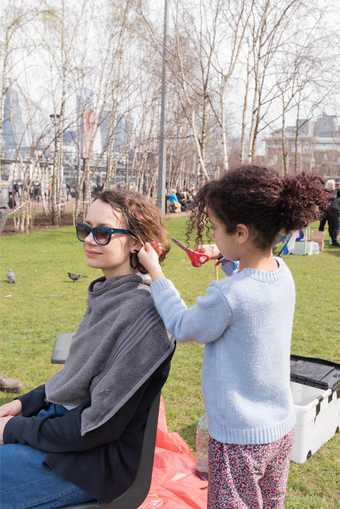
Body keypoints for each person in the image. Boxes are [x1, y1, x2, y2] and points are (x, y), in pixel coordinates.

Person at [137, 165, 327, 509]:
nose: (212, 235)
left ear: (241, 233)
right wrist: (225, 257)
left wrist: (157, 275)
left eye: (215, 227)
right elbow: (251, 294)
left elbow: (183, 325)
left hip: (239, 438)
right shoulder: (283, 275)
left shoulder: (229, 296)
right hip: (280, 429)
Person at [0, 189, 175, 509]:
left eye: (103, 232)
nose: (90, 240)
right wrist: (26, 403)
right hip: (65, 434)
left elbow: (97, 427)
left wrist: (15, 429)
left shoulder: (144, 314)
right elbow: (80, 375)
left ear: (137, 242)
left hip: (93, 464)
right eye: (86, 230)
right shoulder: (108, 293)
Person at [318, 179, 340, 246]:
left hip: (326, 210)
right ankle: (332, 240)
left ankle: (320, 239)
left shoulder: (324, 192)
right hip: (332, 211)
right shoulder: (335, 192)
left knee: (324, 226)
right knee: (333, 226)